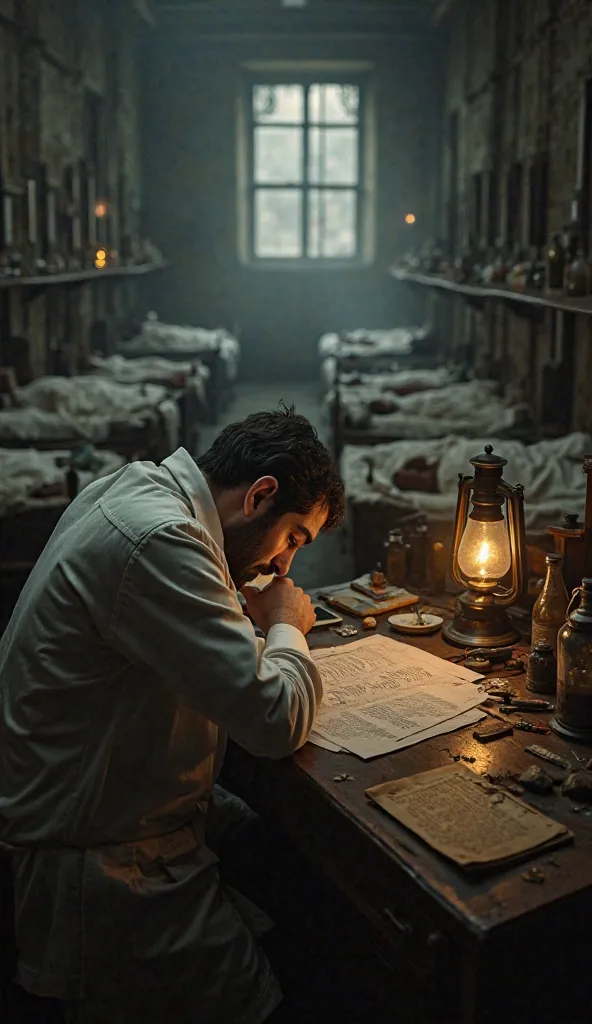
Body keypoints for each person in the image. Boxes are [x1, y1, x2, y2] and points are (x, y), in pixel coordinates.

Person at [0, 406, 345, 1024]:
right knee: (271, 998)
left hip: (109, 798)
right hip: (102, 857)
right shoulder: (160, 539)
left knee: (288, 857)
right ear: (260, 495)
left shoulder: (134, 487)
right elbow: (274, 720)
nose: (286, 565)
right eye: (292, 537)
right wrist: (288, 627)